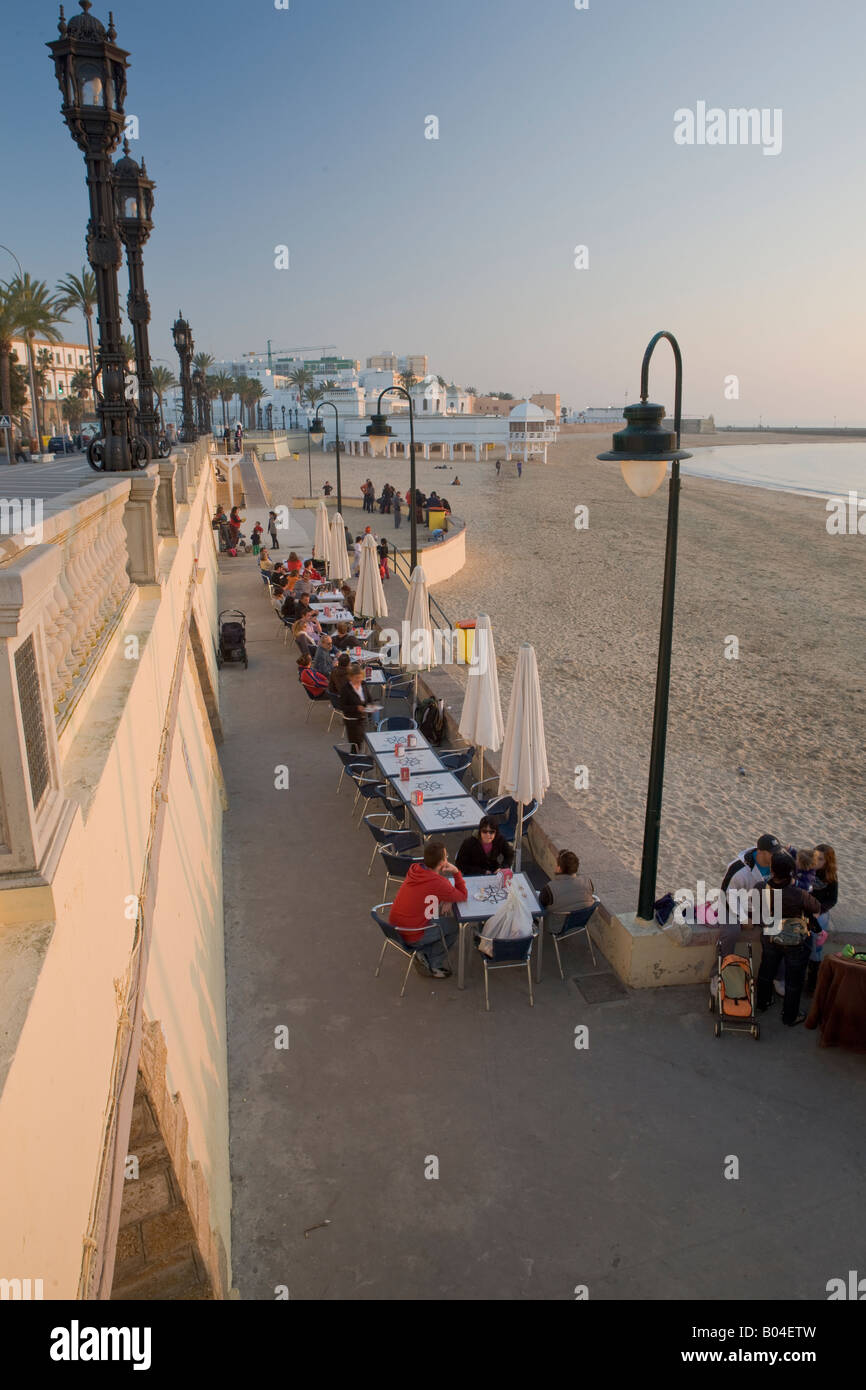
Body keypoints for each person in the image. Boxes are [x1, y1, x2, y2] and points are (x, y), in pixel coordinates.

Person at [755, 852, 823, 1026]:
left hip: (770, 937)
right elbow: (816, 907)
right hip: (794, 942)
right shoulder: (799, 894)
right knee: (794, 980)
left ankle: (762, 1003)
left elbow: (755, 911)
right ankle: (790, 1016)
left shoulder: (761, 887)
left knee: (766, 970)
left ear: (772, 870)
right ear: (792, 872)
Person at [389, 840, 468, 978]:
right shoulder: (438, 883)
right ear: (442, 862)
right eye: (446, 856)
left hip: (396, 927)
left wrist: (448, 897)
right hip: (412, 934)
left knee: (438, 915)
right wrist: (456, 872)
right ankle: (433, 964)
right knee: (454, 926)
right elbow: (463, 895)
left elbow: (429, 891)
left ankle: (424, 952)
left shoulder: (415, 869)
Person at [807, 843, 838, 993]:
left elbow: (832, 899)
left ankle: (812, 982)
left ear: (827, 861)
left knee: (816, 945)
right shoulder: (806, 869)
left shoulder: (831, 876)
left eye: (820, 859)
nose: (816, 861)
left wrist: (819, 910)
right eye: (815, 857)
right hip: (804, 909)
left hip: (819, 912)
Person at [538, 850, 595, 924]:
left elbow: (540, 904)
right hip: (580, 923)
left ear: (559, 868)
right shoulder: (588, 882)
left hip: (555, 926)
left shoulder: (549, 889)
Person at [339, 662, 373, 751]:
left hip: (363, 719)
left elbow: (369, 699)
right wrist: (356, 708)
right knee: (356, 744)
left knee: (361, 743)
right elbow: (342, 706)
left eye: (360, 677)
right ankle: (354, 761)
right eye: (356, 678)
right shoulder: (345, 689)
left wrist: (372, 706)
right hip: (352, 720)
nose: (359, 680)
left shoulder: (364, 685)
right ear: (350, 677)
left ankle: (355, 760)